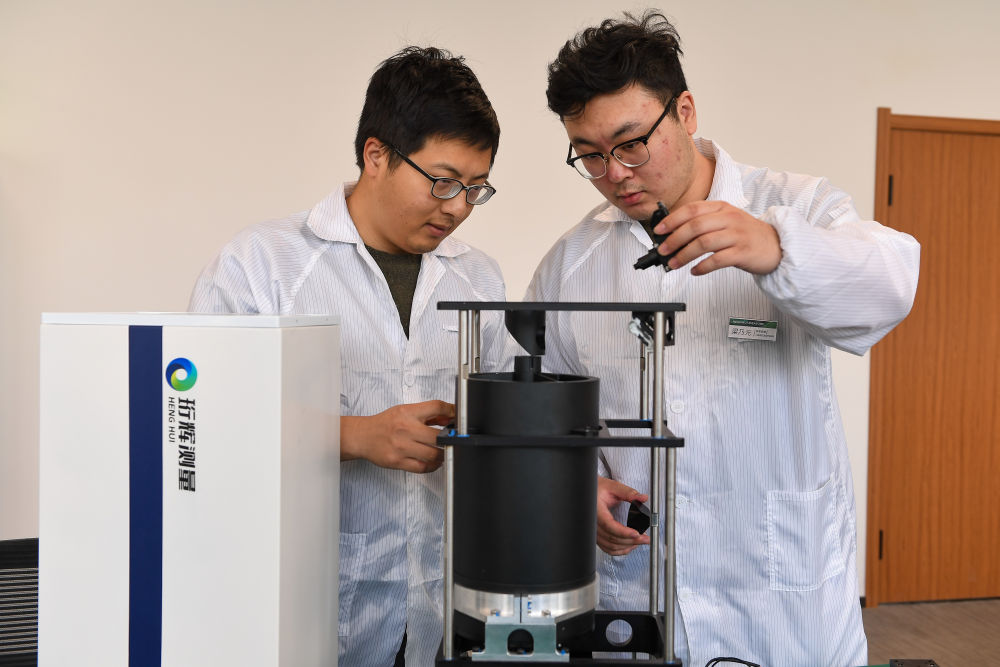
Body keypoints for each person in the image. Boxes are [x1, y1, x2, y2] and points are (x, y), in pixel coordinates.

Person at [526, 11, 920, 666]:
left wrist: (778, 249)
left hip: (783, 604)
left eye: (631, 143)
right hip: (642, 593)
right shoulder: (572, 262)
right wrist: (577, 484)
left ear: (684, 112)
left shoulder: (794, 207)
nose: (615, 173)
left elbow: (890, 288)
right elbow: (538, 402)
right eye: (589, 154)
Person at [189, 46, 508, 665]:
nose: (457, 207)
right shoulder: (263, 266)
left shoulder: (479, 279)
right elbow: (195, 432)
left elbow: (497, 430)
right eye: (443, 181)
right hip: (298, 613)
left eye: (475, 189)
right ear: (376, 154)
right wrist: (352, 436)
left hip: (437, 614)